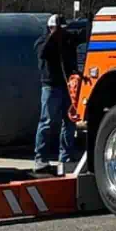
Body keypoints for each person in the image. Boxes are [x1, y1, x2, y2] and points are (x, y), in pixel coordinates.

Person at [34, 14, 79, 175]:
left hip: (67, 85)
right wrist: (53, 37)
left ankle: (65, 157)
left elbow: (79, 37)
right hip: (51, 86)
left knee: (69, 122)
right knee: (47, 121)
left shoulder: (67, 40)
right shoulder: (42, 41)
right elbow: (42, 53)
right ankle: (40, 158)